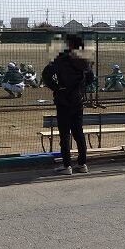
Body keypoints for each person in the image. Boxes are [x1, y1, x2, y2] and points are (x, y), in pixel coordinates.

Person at [41, 34, 94, 175]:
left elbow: (46, 75)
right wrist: (81, 89)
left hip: (63, 100)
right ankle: (82, 164)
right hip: (78, 100)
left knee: (64, 134)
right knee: (78, 133)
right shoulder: (83, 60)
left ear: (69, 45)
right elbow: (90, 77)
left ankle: (67, 165)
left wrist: (57, 88)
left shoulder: (61, 59)